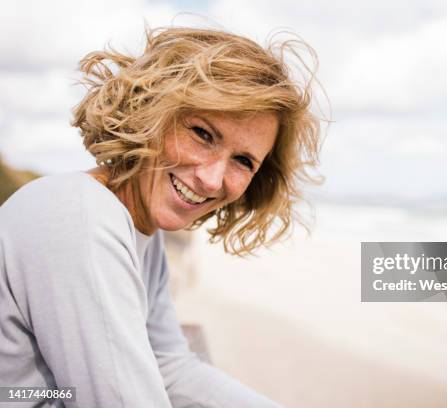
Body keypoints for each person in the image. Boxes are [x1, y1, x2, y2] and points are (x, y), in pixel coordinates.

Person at [0, 26, 322, 407]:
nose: (211, 177)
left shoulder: (136, 230)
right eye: (203, 133)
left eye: (242, 160)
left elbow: (169, 366)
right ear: (151, 110)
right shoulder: (82, 221)